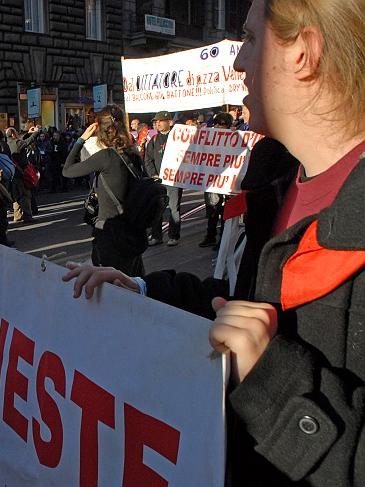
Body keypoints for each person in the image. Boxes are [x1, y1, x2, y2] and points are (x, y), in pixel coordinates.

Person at [64, 0, 365, 483]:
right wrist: (142, 293)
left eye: (249, 39)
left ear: (303, 53)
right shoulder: (277, 181)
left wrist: (271, 377)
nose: (238, 62)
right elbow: (236, 306)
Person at [63, 105, 147, 275]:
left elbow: (68, 170)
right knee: (135, 285)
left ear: (101, 130)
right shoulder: (133, 154)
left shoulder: (106, 156)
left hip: (111, 233)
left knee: (112, 290)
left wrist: (81, 139)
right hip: (134, 232)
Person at [145, 110, 181, 246]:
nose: (158, 124)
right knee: (157, 208)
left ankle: (174, 236)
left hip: (174, 180)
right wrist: (153, 174)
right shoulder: (154, 140)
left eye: (161, 121)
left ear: (169, 122)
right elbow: (148, 159)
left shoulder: (178, 138)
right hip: (159, 180)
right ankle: (156, 236)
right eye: (156, 122)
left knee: (174, 208)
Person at [199, 112, 235, 248]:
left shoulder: (235, 139)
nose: (219, 126)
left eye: (223, 124)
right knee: (212, 210)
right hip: (211, 180)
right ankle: (210, 235)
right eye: (217, 124)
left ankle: (223, 239)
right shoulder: (210, 137)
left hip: (227, 182)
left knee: (225, 211)